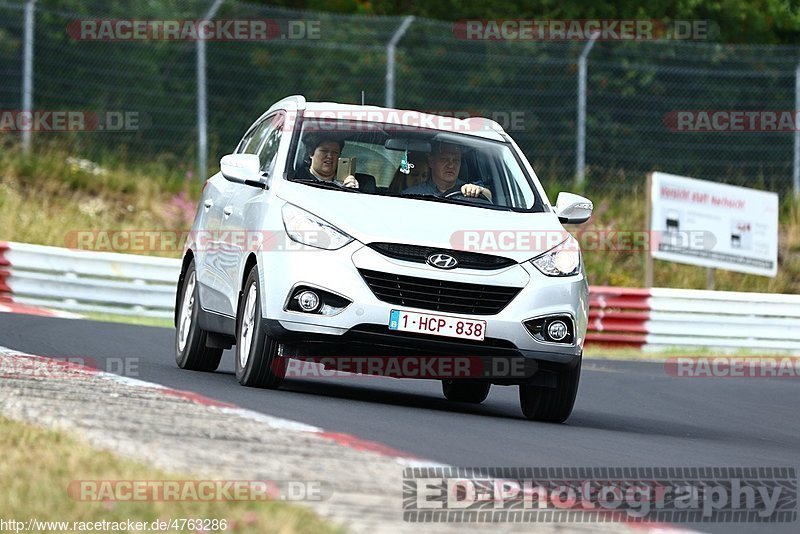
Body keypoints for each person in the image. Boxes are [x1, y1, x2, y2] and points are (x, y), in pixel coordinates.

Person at [401, 142, 490, 199]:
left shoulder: (469, 190)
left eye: (456, 160)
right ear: (431, 162)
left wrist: (479, 191)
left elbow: (489, 196)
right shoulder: (413, 195)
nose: (451, 165)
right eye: (444, 159)